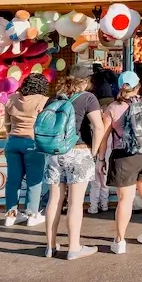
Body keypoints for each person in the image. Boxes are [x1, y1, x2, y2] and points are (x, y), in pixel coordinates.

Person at [101, 71, 142, 255]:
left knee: (125, 200)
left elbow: (103, 137)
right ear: (139, 85)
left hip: (124, 157)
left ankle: (120, 240)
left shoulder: (113, 108)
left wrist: (100, 159)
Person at [44, 67, 105, 260]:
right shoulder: (88, 98)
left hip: (54, 153)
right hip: (78, 152)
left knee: (54, 200)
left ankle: (50, 246)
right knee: (75, 203)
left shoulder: (55, 97)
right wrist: (94, 153)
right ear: (86, 80)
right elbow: (98, 126)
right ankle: (74, 247)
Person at [3, 73, 49, 228]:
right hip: (33, 143)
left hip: (13, 142)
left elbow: (7, 124)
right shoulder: (43, 101)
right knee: (34, 180)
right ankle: (32, 214)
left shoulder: (12, 99)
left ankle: (10, 214)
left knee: (13, 180)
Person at [88, 69, 116, 214]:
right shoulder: (109, 120)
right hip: (106, 152)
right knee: (103, 181)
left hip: (93, 151)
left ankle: (93, 206)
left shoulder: (93, 118)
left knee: (95, 182)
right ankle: (104, 204)